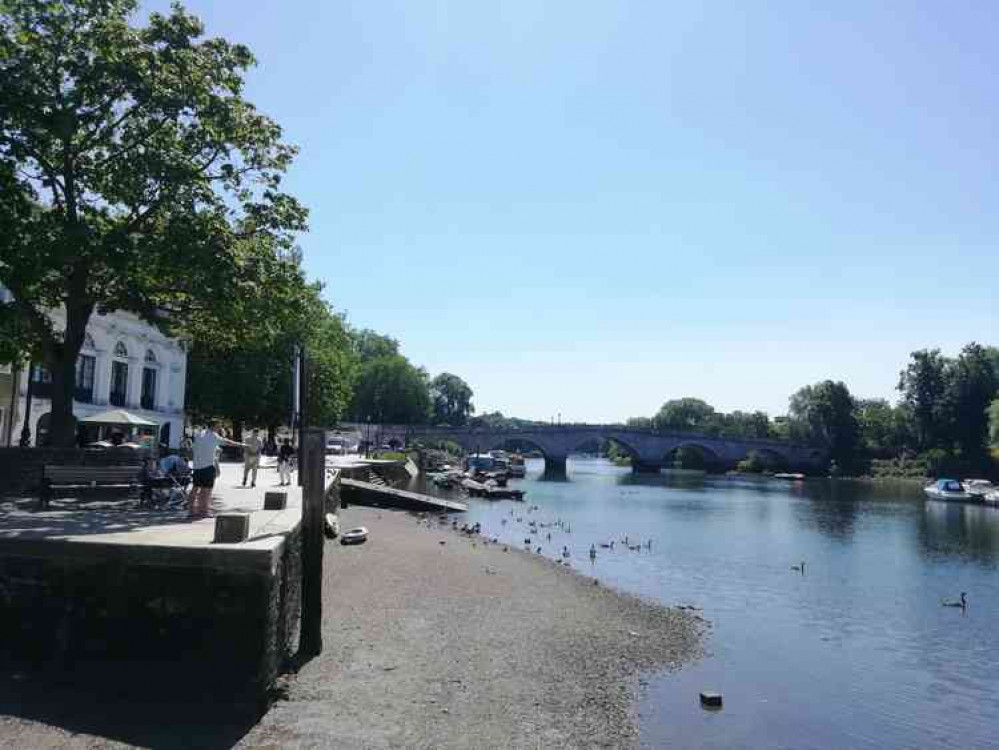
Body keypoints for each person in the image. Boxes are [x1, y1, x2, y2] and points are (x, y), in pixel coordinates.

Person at [189, 421, 245, 518]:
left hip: (197, 467)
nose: (219, 428)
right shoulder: (214, 435)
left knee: (195, 489)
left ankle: (192, 511)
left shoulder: (199, 434)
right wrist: (241, 445)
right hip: (208, 466)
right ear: (213, 427)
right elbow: (228, 442)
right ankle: (204, 511)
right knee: (207, 490)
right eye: (218, 427)